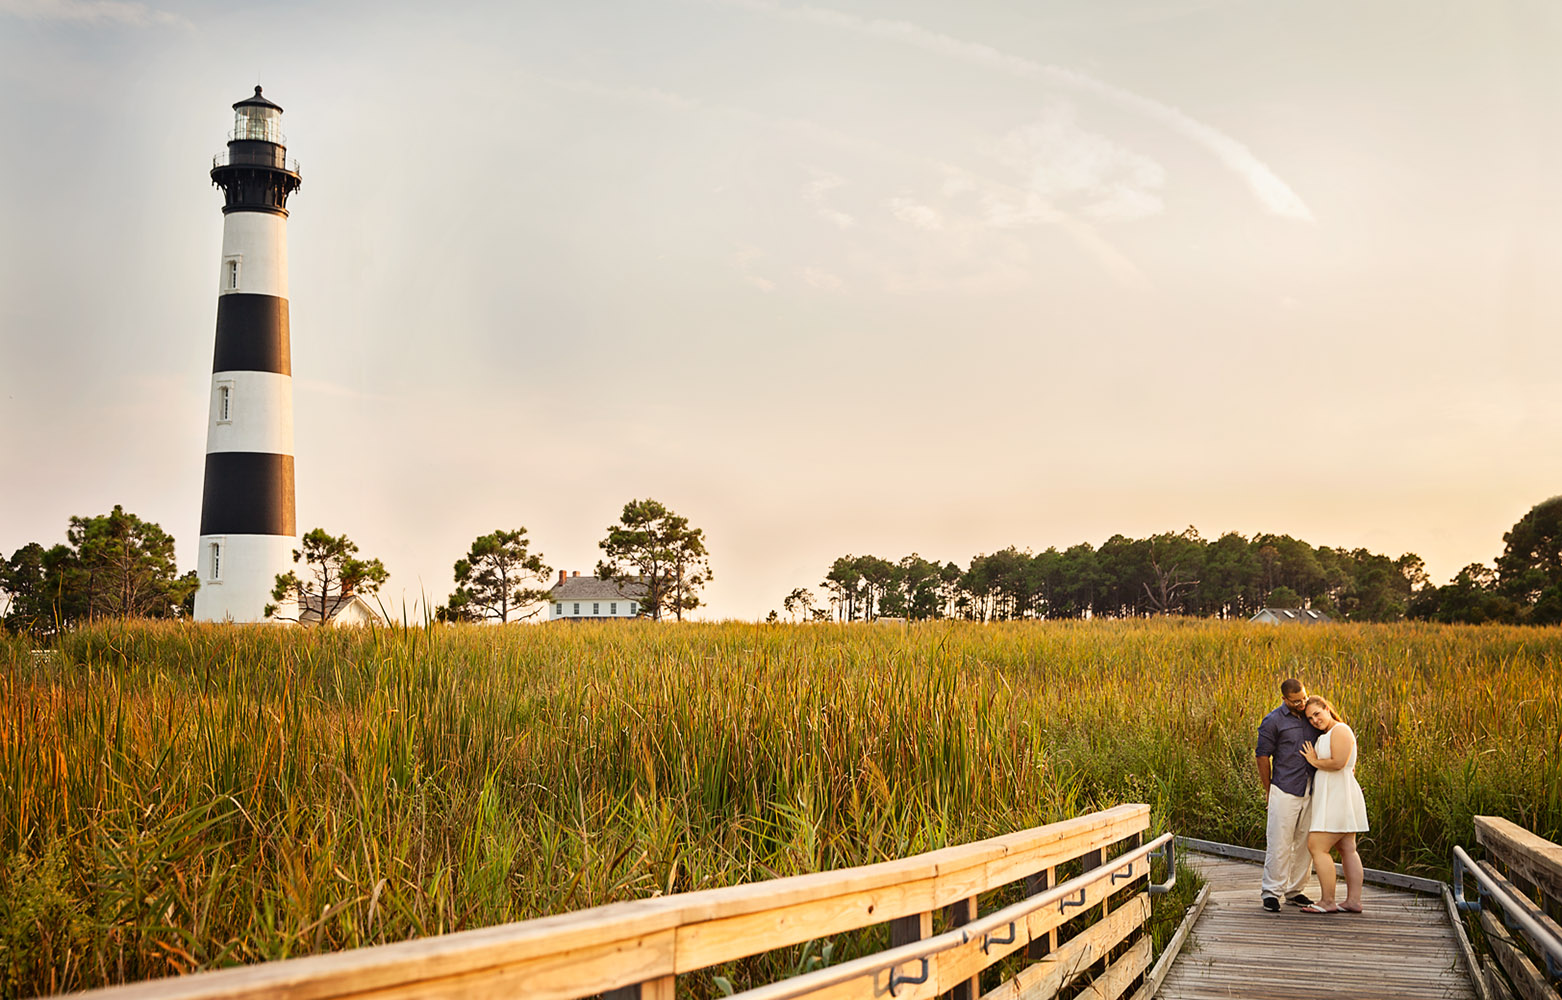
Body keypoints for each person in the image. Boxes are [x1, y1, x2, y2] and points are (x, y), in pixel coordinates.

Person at [1298, 695, 1369, 913]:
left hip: (1338, 796)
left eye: (1317, 714)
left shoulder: (1341, 730)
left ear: (1327, 708)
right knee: (1347, 847)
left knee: (1317, 846)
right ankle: (1353, 901)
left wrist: (1314, 761)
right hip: (1335, 794)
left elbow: (1339, 763)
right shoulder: (1327, 734)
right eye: (1310, 719)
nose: (1314, 721)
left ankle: (1328, 901)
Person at [1255, 678, 1322, 912]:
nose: (1302, 703)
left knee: (1306, 842)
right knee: (1279, 842)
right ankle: (1271, 892)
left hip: (1311, 788)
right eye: (1296, 701)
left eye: (1304, 697)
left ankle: (1295, 890)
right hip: (1284, 788)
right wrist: (1268, 789)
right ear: (1284, 699)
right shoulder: (1273, 721)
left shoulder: (1311, 715)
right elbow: (1262, 756)